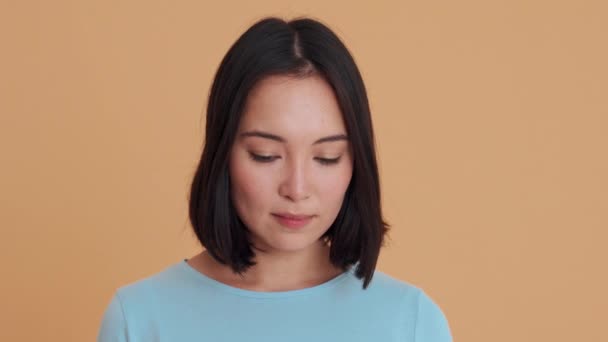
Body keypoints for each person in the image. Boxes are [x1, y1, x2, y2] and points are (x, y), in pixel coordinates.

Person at [97, 16, 452, 342]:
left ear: (355, 163)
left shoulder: (410, 323)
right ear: (224, 154)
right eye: (265, 155)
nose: (296, 188)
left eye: (326, 158)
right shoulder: (140, 319)